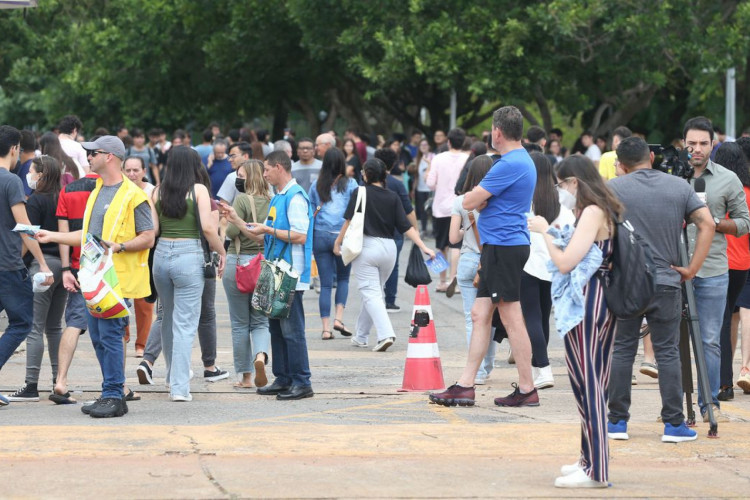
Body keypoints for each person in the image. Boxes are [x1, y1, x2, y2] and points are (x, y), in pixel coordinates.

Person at [36, 135, 155, 418]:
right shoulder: (98, 189)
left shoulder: (133, 195)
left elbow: (148, 236)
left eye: (93, 153)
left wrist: (120, 246)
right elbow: (88, 235)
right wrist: (51, 235)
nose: (88, 157)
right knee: (100, 337)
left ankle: (113, 394)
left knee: (111, 336)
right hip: (94, 276)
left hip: (117, 279)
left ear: (109, 157)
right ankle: (111, 393)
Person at [606, 137, 713, 445]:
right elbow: (706, 224)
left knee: (623, 349)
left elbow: (598, 230)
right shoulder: (679, 187)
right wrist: (692, 268)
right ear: (651, 157)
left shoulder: (614, 188)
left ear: (622, 165)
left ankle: (616, 422)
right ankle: (674, 424)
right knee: (667, 352)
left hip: (626, 282)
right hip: (667, 280)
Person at [430, 107, 537, 411]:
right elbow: (478, 199)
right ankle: (465, 385)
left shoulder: (508, 163)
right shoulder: (520, 160)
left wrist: (480, 194)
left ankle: (527, 388)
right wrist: (482, 195)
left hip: (504, 246)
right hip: (500, 246)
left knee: (511, 318)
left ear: (497, 133)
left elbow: (469, 200)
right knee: (480, 315)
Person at [527, 155, 623, 488]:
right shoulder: (598, 209)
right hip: (596, 300)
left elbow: (566, 262)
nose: (560, 190)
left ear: (575, 182)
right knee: (590, 382)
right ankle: (589, 459)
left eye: (562, 183)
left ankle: (596, 470)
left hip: (589, 302)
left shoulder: (594, 211)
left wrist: (544, 232)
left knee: (589, 384)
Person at [233, 150, 315, 400]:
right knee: (277, 328)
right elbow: (265, 233)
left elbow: (300, 235)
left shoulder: (295, 197)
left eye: (267, 169)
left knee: (292, 330)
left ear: (279, 167)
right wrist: (237, 220)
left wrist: (268, 229)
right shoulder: (279, 196)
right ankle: (283, 377)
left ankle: (302, 381)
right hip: (276, 272)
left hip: (290, 273)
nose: (264, 174)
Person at [684, 116, 750, 422]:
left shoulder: (728, 179)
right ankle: (674, 407)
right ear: (683, 143)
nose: (697, 149)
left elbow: (745, 222)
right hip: (675, 270)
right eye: (692, 143)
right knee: (672, 344)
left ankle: (709, 403)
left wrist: (715, 223)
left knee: (710, 339)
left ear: (713, 144)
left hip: (713, 271)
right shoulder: (673, 177)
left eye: (703, 143)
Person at [334, 158, 435, 352]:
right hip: (390, 249)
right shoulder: (392, 196)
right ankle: (361, 336)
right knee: (374, 292)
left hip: (367, 247)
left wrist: (338, 242)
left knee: (371, 293)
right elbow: (406, 227)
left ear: (367, 174)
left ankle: (386, 334)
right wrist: (424, 247)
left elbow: (349, 221)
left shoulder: (360, 192)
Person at [151, 146, 226, 402]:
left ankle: (172, 375)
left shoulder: (156, 191)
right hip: (189, 254)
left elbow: (154, 230)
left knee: (167, 318)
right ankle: (180, 388)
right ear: (194, 165)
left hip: (161, 256)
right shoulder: (199, 190)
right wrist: (221, 251)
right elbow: (207, 227)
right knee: (185, 324)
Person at [0, 125, 54, 409]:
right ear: (13, 149)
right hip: (7, 266)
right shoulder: (10, 181)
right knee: (22, 323)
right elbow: (25, 228)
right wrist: (43, 263)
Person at [5, 156, 65, 402]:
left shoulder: (35, 201)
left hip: (42, 268)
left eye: (31, 170)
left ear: (40, 174)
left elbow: (27, 237)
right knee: (54, 327)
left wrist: (19, 262)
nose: (28, 174)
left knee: (34, 327)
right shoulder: (62, 197)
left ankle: (31, 385)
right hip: (63, 266)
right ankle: (57, 380)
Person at [519, 152, 576, 390]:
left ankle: (543, 368)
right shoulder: (561, 203)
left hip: (528, 265)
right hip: (554, 267)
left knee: (532, 317)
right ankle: (538, 367)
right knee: (542, 318)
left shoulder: (524, 200)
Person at [220, 159, 271, 388]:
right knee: (260, 321)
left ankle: (246, 376)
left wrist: (233, 221)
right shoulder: (272, 200)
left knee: (240, 323)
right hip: (264, 265)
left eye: (240, 175)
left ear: (250, 177)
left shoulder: (241, 200)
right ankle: (260, 356)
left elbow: (231, 231)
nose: (237, 179)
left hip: (239, 263)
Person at [449, 156, 495, 384]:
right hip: (489, 261)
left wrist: (464, 227)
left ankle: (475, 371)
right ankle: (486, 367)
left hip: (467, 261)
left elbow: (452, 238)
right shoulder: (494, 199)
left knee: (472, 319)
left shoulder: (461, 201)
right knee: (490, 317)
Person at [308, 148, 358, 340]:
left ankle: (326, 329)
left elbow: (311, 211)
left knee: (325, 284)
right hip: (342, 236)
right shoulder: (351, 184)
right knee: (343, 280)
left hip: (320, 235)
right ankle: (339, 318)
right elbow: (354, 212)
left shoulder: (316, 185)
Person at [714, 142, 750, 401]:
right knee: (727, 317)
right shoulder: (747, 191)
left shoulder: (716, 189)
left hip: (719, 261)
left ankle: (723, 383)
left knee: (721, 321)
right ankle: (725, 380)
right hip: (742, 264)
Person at [374, 148, 419, 312]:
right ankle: (390, 301)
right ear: (393, 164)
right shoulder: (397, 184)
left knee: (373, 266)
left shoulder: (364, 182)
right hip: (394, 232)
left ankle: (375, 298)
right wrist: (416, 230)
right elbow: (408, 210)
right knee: (393, 266)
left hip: (372, 231)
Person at [426, 128, 469, 293]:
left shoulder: (438, 158)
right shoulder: (467, 159)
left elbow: (430, 183)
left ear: (448, 142)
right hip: (461, 205)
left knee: (441, 246)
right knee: (456, 246)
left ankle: (442, 281)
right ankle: (454, 280)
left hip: (440, 208)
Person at [122, 156, 156, 357]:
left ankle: (141, 344)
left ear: (144, 171)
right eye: (128, 170)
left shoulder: (151, 192)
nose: (132, 174)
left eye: (136, 170)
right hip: (123, 249)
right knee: (122, 296)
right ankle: (123, 335)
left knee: (144, 301)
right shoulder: (119, 189)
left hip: (146, 250)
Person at [412, 139, 434, 235]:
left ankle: (434, 230)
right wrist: (413, 189)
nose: (423, 146)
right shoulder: (417, 159)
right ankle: (423, 229)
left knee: (432, 209)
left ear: (429, 146)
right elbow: (416, 176)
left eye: (425, 144)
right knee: (422, 210)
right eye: (421, 145)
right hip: (420, 188)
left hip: (430, 188)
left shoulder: (433, 157)